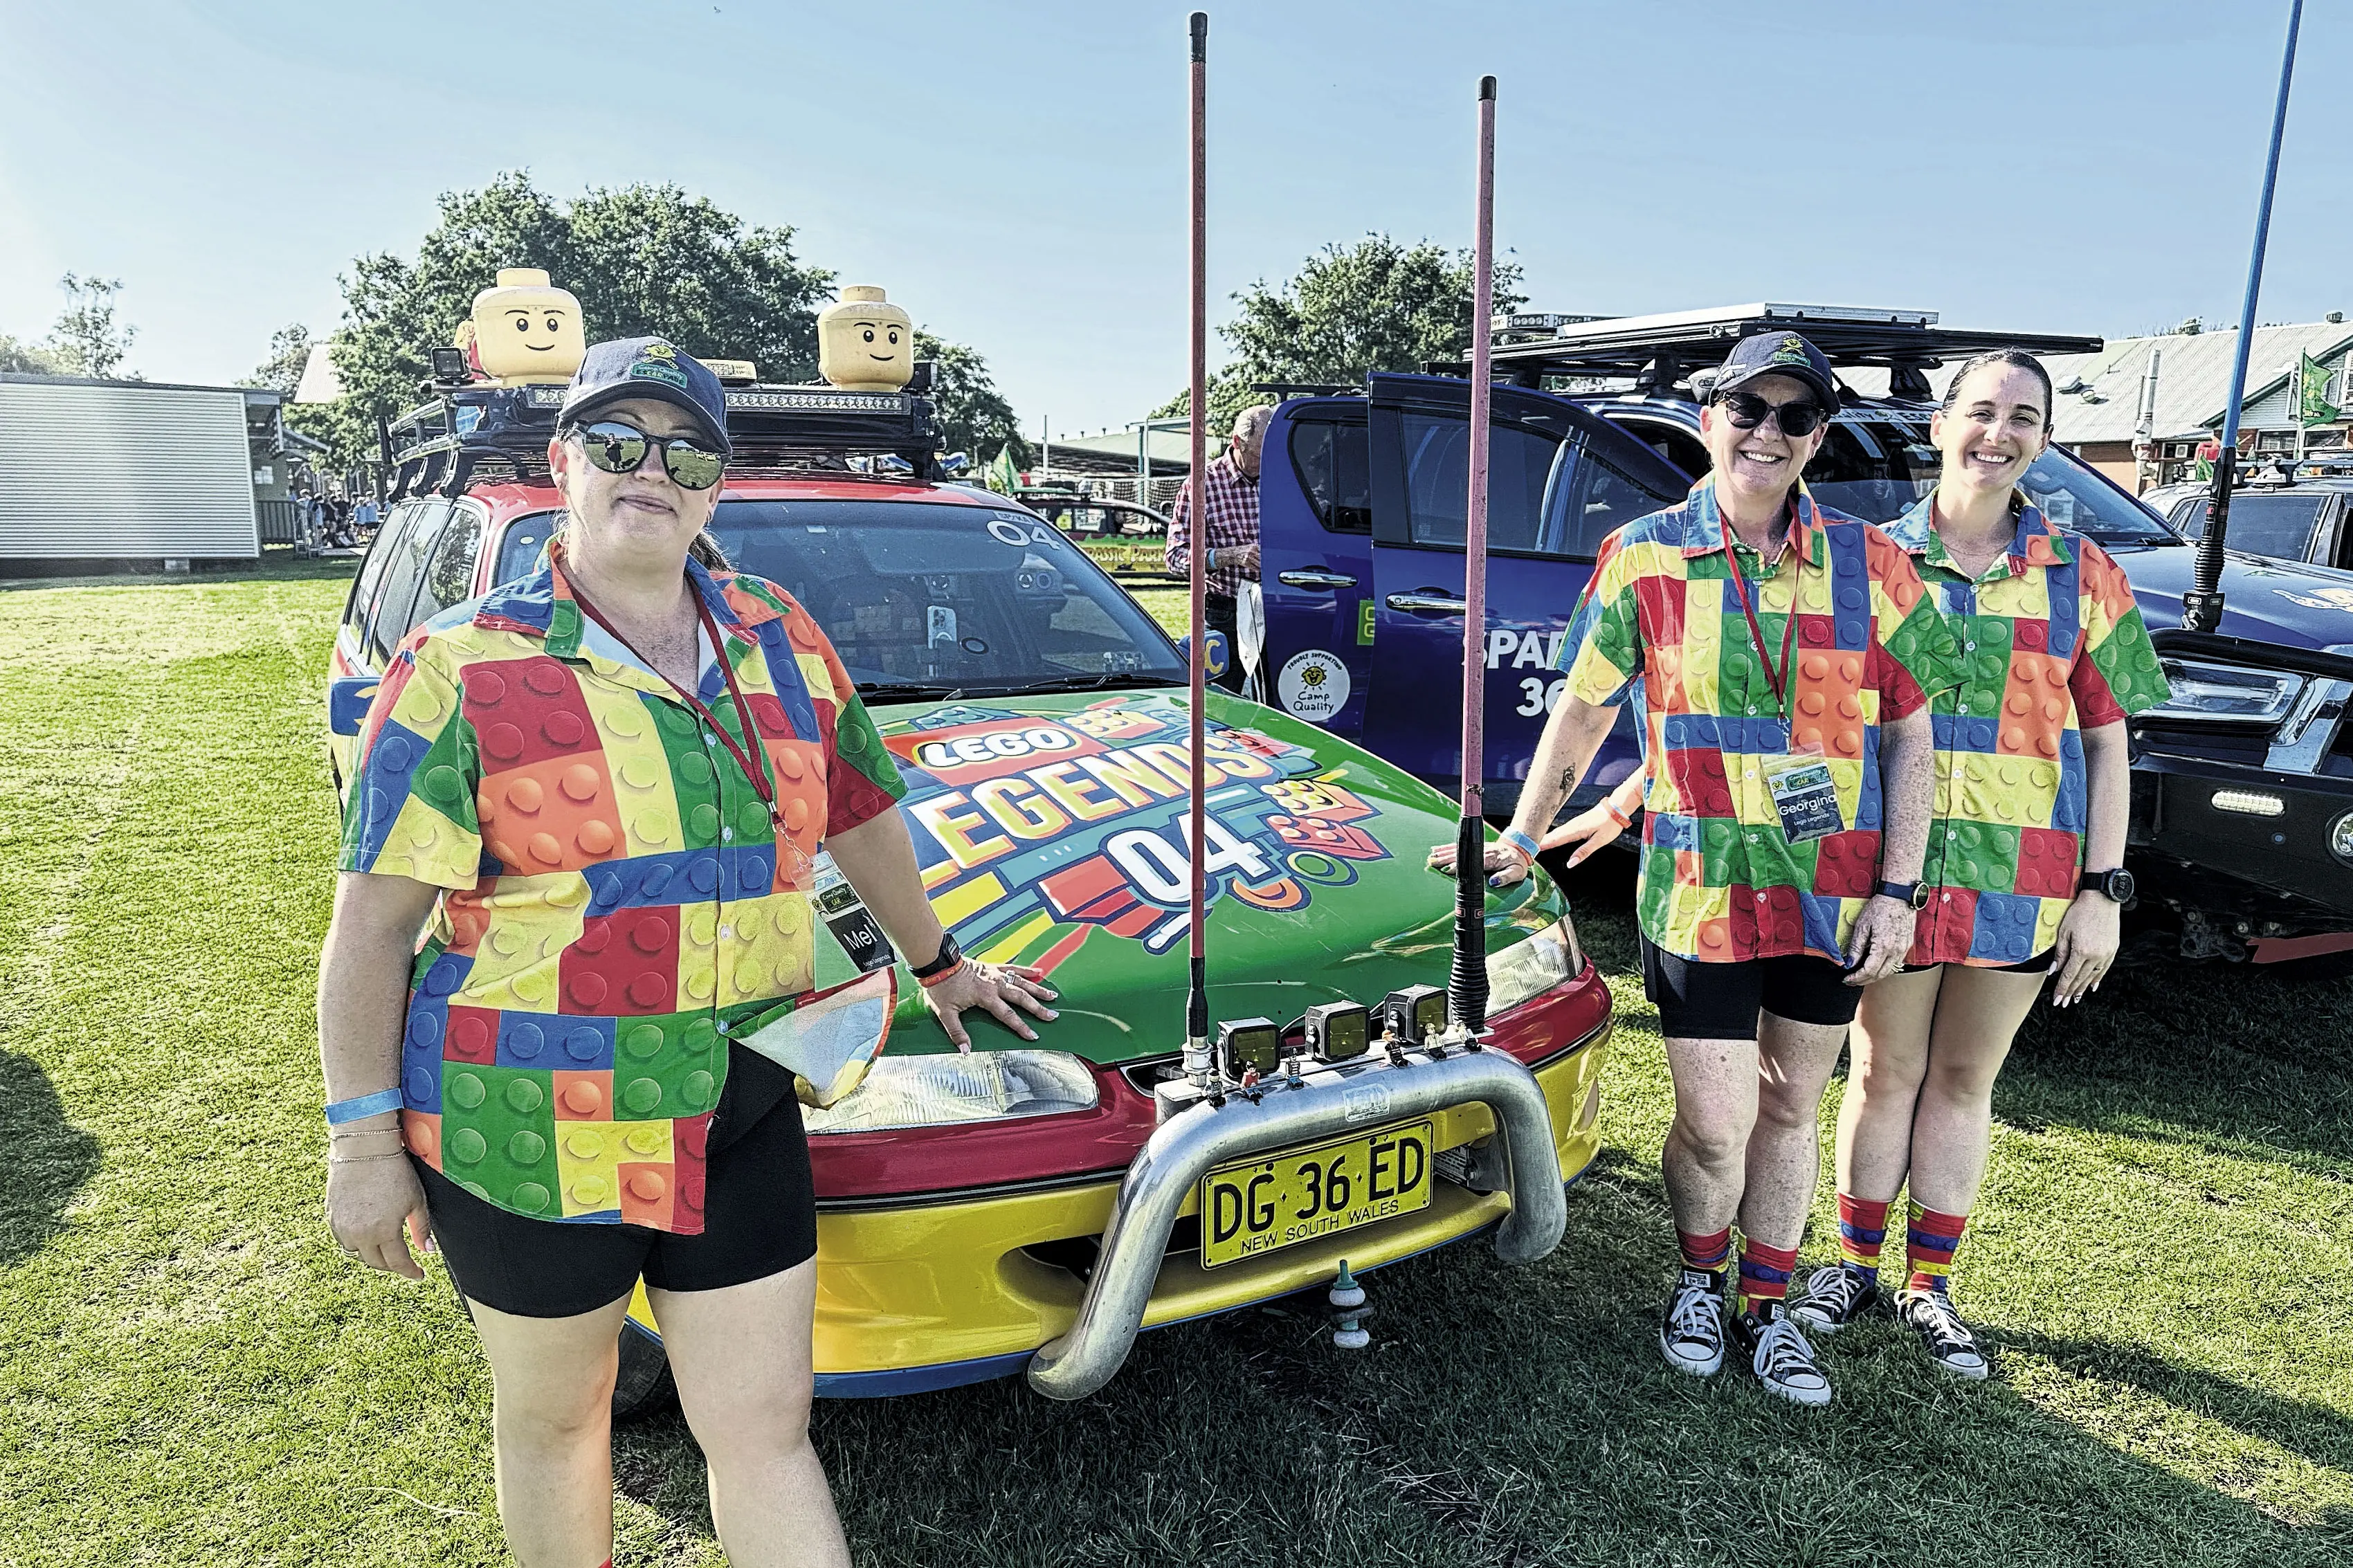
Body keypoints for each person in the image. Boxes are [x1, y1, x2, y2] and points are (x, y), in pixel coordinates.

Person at [316, 336, 1059, 1568]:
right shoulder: (460, 668)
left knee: (766, 1429)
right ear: (565, 463)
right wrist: (362, 1143)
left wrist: (941, 964)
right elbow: (373, 933)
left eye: (686, 450)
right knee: (559, 1424)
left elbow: (864, 809)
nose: (650, 470)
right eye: (617, 443)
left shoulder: (778, 632)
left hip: (738, 1100)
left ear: (715, 484)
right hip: (528, 1125)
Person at [1464, 331, 1952, 1407]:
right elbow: (1586, 709)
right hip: (1700, 892)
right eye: (1750, 409)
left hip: (1833, 893)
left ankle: (1766, 1308)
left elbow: (1913, 735)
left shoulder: (1876, 566)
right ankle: (1697, 1277)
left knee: (1791, 1109)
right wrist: (1522, 831)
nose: (1767, 433)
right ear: (1710, 417)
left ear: (1819, 437)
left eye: (1794, 417)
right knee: (1719, 1119)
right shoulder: (1645, 555)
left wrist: (1900, 889)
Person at [1791, 350, 2168, 1376]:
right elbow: (1827, 721)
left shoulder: (2083, 574)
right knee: (1881, 1068)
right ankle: (1854, 1264)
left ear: (2045, 437)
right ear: (1942, 423)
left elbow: (2107, 742)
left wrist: (2102, 892)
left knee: (1963, 1079)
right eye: (1983, 410)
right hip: (1894, 877)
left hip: (2023, 879)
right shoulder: (1870, 561)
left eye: (2025, 418)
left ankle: (1931, 1284)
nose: (2000, 433)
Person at [1165, 403, 1273, 692]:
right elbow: (1175, 558)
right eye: (1259, 455)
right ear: (1237, 442)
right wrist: (1233, 556)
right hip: (1224, 610)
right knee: (1221, 699)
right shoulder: (1201, 485)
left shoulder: (1281, 478)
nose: (1266, 462)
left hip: (1276, 606)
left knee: (1277, 696)